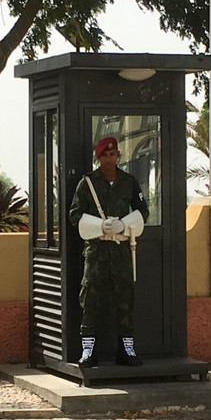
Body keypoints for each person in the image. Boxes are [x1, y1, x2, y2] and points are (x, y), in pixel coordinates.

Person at [68, 136, 149, 368]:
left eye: (112, 155)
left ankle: (126, 350)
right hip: (96, 251)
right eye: (104, 155)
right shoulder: (87, 184)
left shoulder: (129, 182)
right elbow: (75, 215)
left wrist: (124, 225)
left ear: (118, 156)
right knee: (90, 300)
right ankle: (88, 352)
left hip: (121, 250)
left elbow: (143, 211)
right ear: (98, 157)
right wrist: (99, 226)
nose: (109, 159)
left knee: (125, 299)